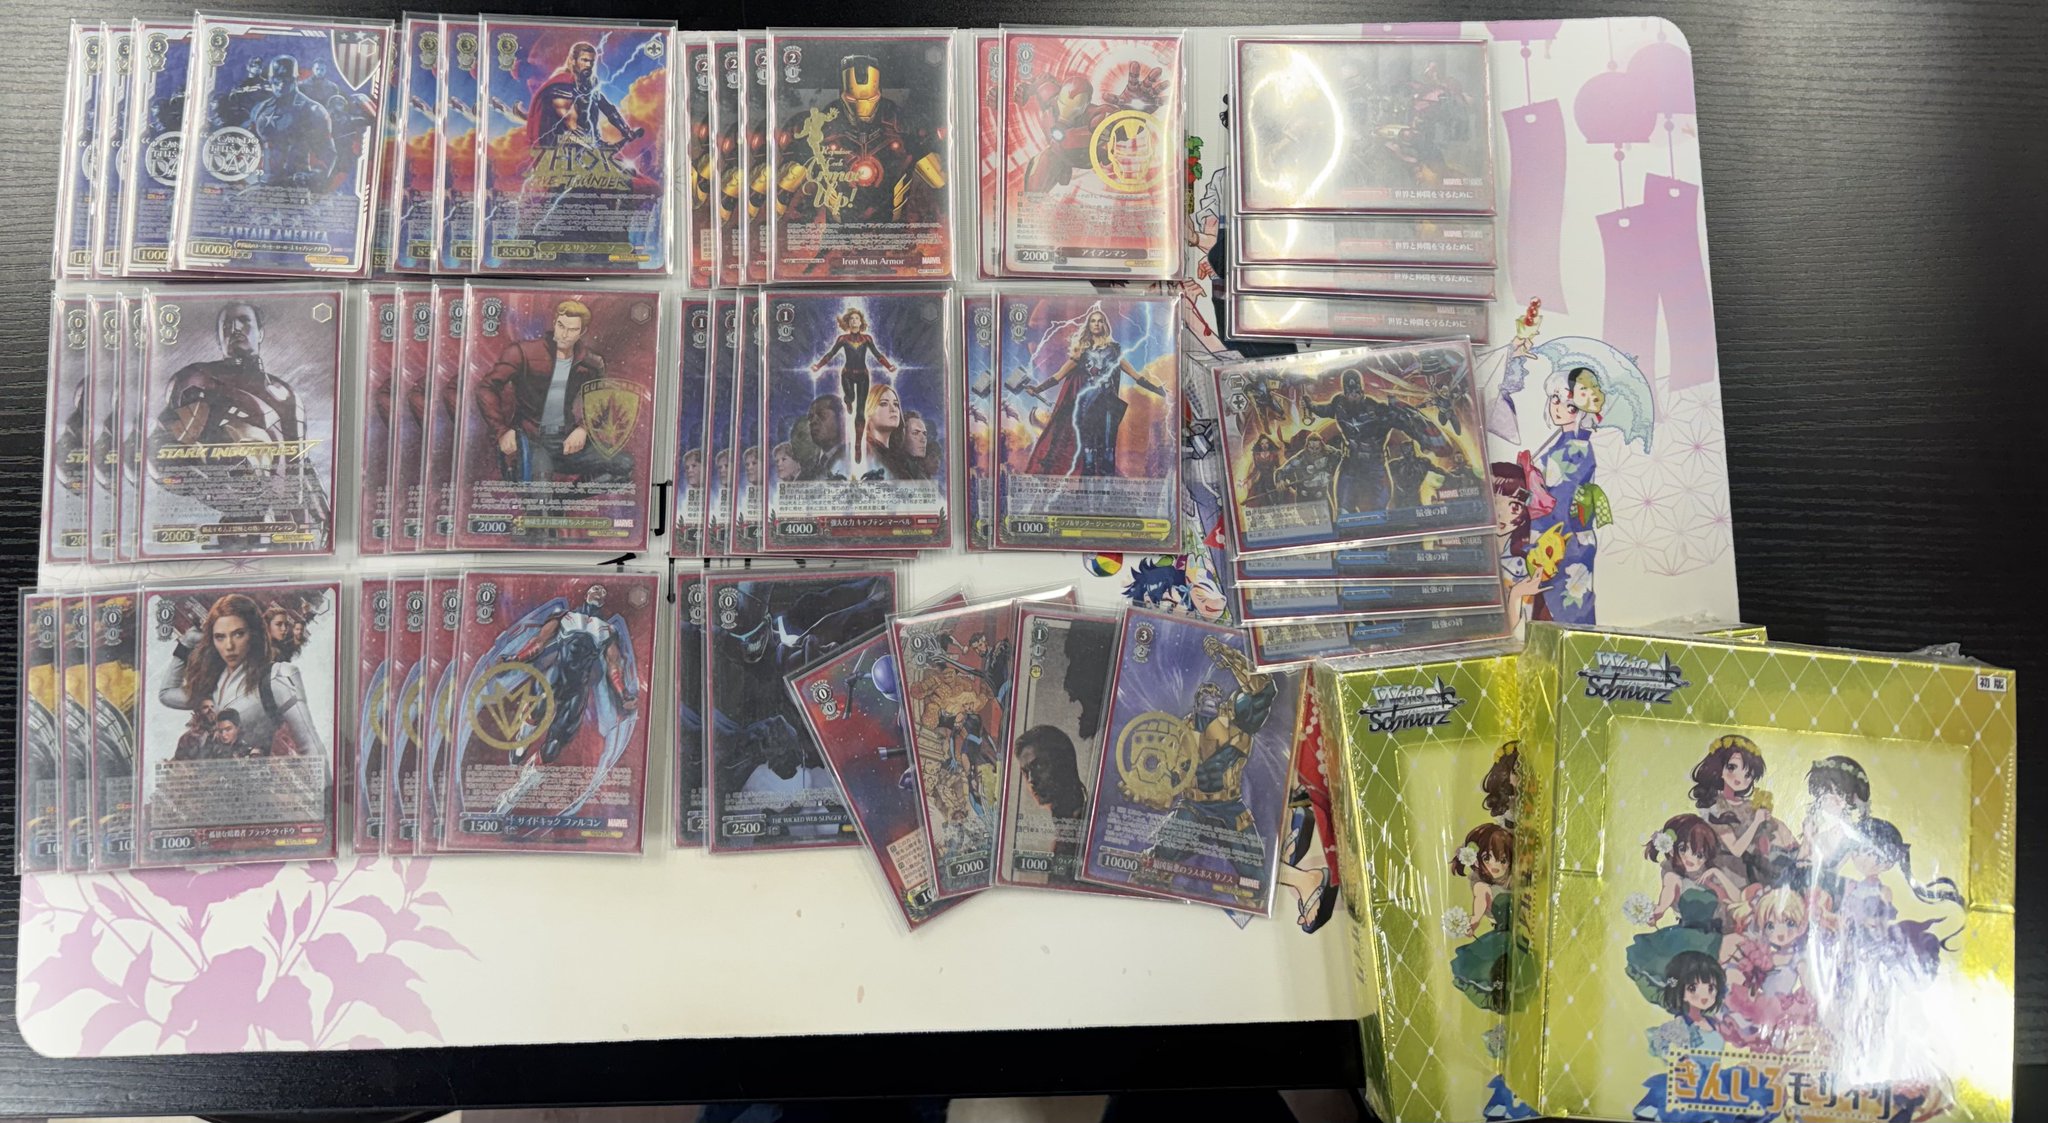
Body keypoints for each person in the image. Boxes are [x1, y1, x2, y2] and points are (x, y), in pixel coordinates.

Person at [152, 301, 325, 550]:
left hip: (287, 528)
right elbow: (160, 451)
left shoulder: (285, 394)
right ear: (218, 337)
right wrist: (207, 486)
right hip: (236, 520)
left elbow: (298, 462)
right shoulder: (199, 381)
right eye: (226, 325)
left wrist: (321, 512)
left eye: (244, 321)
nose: (235, 329)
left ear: (260, 332)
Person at [773, 54, 945, 232]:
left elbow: (939, 179)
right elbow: (791, 175)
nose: (862, 107)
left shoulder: (899, 121)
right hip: (841, 224)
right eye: (853, 100)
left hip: (891, 222)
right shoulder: (825, 122)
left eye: (869, 100)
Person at [477, 299, 630, 489]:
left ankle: (562, 499)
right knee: (540, 490)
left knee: (624, 465)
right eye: (561, 326)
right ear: (555, 323)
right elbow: (487, 387)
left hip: (565, 439)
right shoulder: (522, 352)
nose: (564, 334)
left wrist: (584, 429)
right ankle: (546, 500)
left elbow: (601, 401)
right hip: (531, 439)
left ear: (582, 332)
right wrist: (502, 431)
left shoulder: (591, 363)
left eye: (572, 330)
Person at [157, 593, 325, 760]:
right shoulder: (213, 683)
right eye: (220, 637)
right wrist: (185, 644)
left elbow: (311, 747)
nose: (229, 646)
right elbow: (167, 695)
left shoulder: (277, 678)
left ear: (254, 634)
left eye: (238, 634)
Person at [1022, 305, 1166, 478]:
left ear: (1104, 325)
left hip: (1109, 405)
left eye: (1100, 321)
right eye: (1093, 321)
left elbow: (1135, 375)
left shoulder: (1114, 351)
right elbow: (1059, 375)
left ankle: (1107, 488)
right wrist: (1037, 389)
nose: (1096, 324)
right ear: (1089, 325)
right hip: (1088, 405)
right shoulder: (1081, 353)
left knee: (1108, 448)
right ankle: (1088, 487)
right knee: (1088, 450)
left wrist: (1158, 390)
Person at [1303, 368, 1451, 520]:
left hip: (1375, 465)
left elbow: (1406, 422)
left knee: (1378, 512)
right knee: (1343, 511)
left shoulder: (1378, 410)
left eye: (1356, 391)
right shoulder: (1339, 404)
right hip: (1350, 464)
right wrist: (1310, 405)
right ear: (1345, 391)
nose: (1353, 395)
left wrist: (1423, 441)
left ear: (1361, 390)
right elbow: (1325, 410)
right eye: (1349, 392)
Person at [811, 309, 894, 455]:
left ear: (861, 322)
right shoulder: (843, 339)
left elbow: (877, 354)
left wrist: (889, 366)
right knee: (850, 397)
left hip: (863, 377)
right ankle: (848, 400)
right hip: (847, 375)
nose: (854, 321)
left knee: (860, 412)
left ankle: (857, 445)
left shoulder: (867, 339)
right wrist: (818, 366)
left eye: (857, 318)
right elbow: (831, 354)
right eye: (851, 319)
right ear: (848, 323)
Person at [250, 56, 336, 188]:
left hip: (296, 184)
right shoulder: (260, 110)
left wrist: (315, 176)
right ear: (270, 79)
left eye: (286, 80)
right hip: (266, 182)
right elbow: (251, 145)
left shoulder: (313, 110)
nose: (281, 85)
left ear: (295, 79)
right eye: (277, 80)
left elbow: (327, 152)